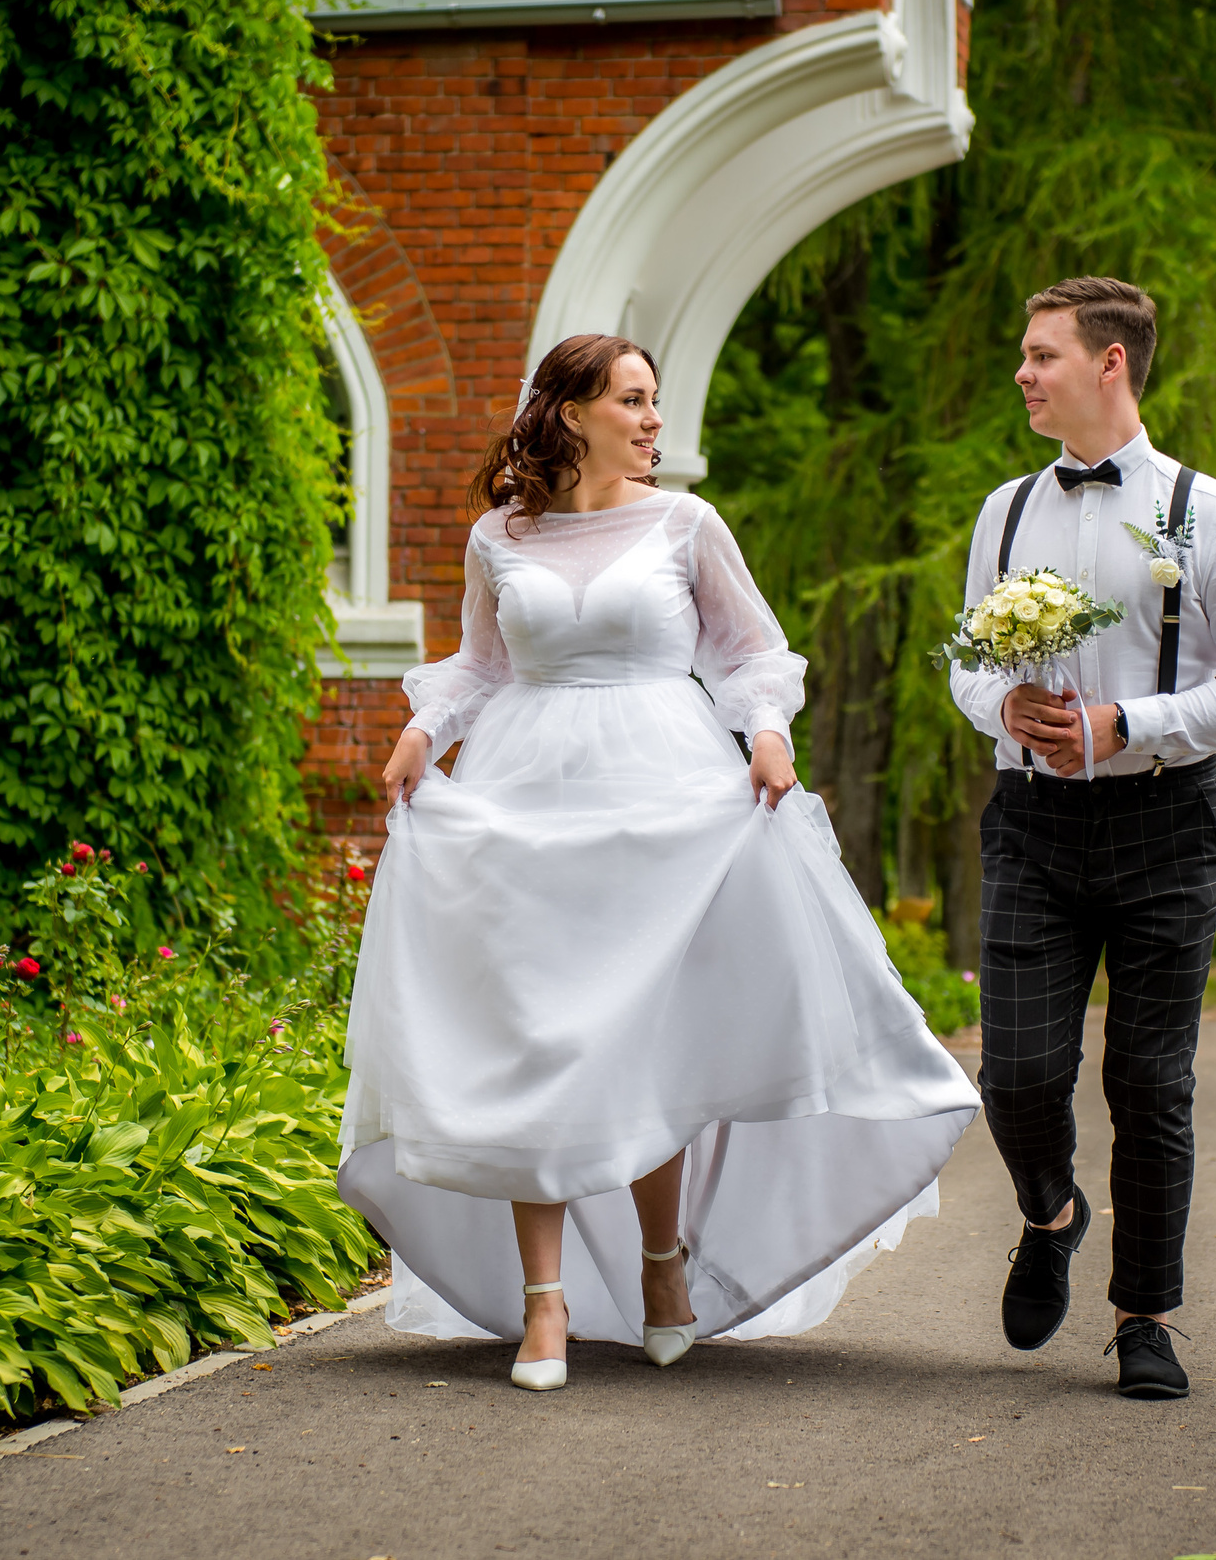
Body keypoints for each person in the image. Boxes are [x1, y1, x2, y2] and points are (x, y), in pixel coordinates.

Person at [338, 333, 980, 1392]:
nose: (650, 419)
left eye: (652, 400)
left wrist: (766, 732)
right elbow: (482, 663)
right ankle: (544, 1304)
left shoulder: (687, 521)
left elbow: (747, 651)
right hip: (523, 794)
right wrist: (422, 731)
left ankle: (660, 1261)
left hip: (663, 788)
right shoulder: (500, 534)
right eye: (630, 400)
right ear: (571, 410)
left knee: (647, 1032)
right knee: (530, 1035)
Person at [950, 277, 1216, 1398]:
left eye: (1042, 354)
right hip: (1033, 828)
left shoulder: (1210, 513)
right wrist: (997, 705)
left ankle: (1143, 1313)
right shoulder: (1003, 510)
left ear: (1111, 365)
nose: (1022, 371)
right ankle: (1051, 1212)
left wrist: (1129, 723)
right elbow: (968, 660)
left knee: (1151, 1083)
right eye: (1021, 352)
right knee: (1015, 1074)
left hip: (1165, 824)